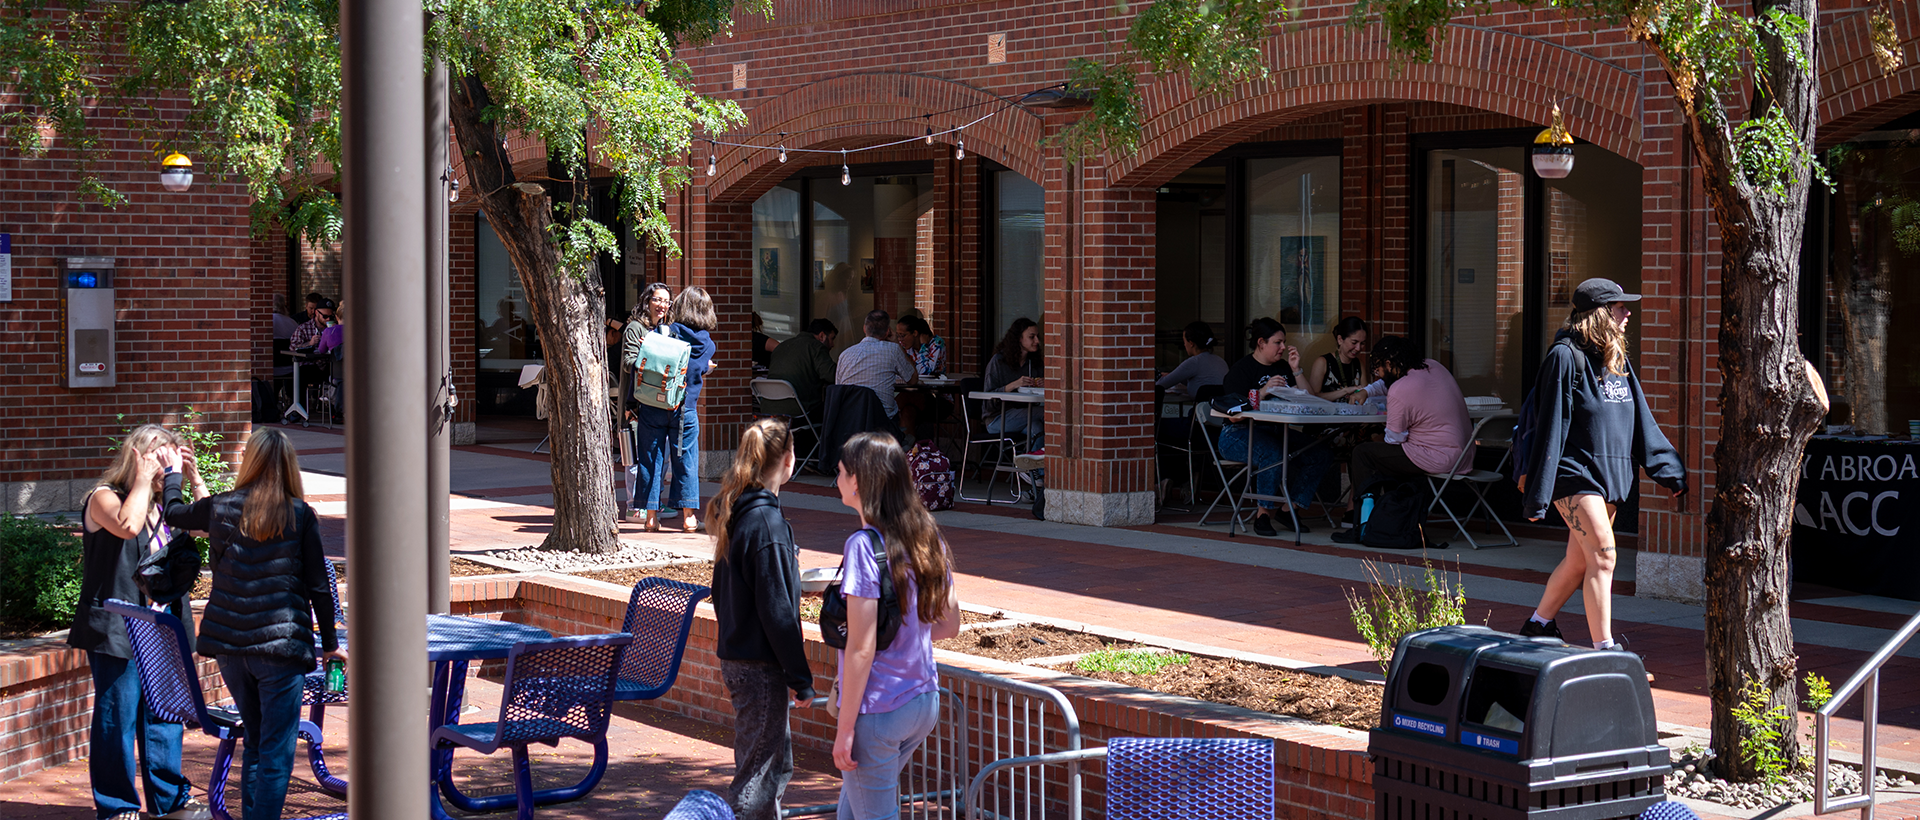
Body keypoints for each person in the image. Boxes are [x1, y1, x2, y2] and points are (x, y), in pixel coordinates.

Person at [159, 427, 341, 820]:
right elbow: (318, 587)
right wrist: (330, 644)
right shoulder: (299, 514)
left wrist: (176, 475)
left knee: (257, 741)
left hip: (230, 648)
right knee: (276, 750)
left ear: (250, 463)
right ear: (290, 466)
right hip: (280, 650)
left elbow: (174, 513)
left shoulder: (222, 507)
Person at [1517, 278, 1686, 650]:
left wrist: (1668, 469)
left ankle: (1538, 625)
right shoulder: (1564, 356)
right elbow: (1551, 424)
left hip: (1608, 477)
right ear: (1599, 313)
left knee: (1579, 562)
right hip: (1572, 474)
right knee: (1605, 556)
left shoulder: (1614, 359)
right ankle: (1605, 649)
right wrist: (1538, 493)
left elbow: (1641, 421)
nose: (1628, 314)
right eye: (1620, 307)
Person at [71, 425, 210, 820]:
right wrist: (144, 480)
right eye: (158, 456)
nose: (166, 465)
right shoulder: (103, 498)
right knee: (118, 714)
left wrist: (194, 478)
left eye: (170, 457)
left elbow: (211, 524)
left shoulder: (169, 503)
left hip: (163, 628)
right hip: (118, 625)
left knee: (165, 716)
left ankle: (170, 800)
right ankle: (117, 806)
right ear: (138, 457)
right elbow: (128, 526)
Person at [830, 433, 961, 819]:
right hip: (923, 699)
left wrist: (845, 729)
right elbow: (949, 622)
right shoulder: (926, 534)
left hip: (879, 708)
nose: (835, 478)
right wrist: (908, 637)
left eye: (840, 472)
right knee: (853, 811)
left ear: (858, 481)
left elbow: (861, 647)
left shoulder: (862, 546)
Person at [709, 418, 814, 820]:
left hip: (741, 657)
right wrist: (800, 677)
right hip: (758, 665)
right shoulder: (765, 522)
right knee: (757, 778)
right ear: (787, 461)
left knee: (772, 766)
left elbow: (729, 592)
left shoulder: (740, 513)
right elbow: (777, 610)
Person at [1329, 335, 1475, 543]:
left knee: (1362, 453)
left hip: (1437, 457)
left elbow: (1394, 441)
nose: (1377, 374)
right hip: (1463, 455)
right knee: (1383, 455)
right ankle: (1389, 516)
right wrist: (1366, 391)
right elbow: (1387, 383)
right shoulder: (1434, 367)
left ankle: (1363, 523)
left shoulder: (1400, 389)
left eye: (1378, 368)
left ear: (1389, 364)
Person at [1217, 317, 1332, 536]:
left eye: (1284, 342)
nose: (1283, 347)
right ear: (1261, 342)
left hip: (1277, 431)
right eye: (1277, 343)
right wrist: (1263, 391)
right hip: (1237, 434)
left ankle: (1289, 509)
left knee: (1320, 453)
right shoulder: (1241, 370)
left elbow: (1309, 399)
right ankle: (1263, 514)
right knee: (1273, 453)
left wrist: (1296, 370)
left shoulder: (1282, 367)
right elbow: (1233, 416)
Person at [667, 286, 719, 532]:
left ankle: (650, 515)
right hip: (688, 406)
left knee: (655, 458)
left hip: (661, 402)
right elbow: (698, 367)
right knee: (687, 459)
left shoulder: (670, 333)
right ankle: (689, 516)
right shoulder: (707, 344)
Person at [835, 310, 919, 424]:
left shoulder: (844, 355)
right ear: (887, 332)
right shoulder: (893, 350)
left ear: (864, 329)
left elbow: (839, 389)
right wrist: (896, 343)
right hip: (882, 423)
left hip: (850, 423)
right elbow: (913, 380)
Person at [983, 318, 1044, 447]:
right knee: (1047, 412)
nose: (1037, 341)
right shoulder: (998, 361)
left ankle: (1030, 466)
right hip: (997, 419)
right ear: (1019, 339)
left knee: (1037, 428)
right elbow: (988, 399)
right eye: (1032, 337)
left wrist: (1045, 385)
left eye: (1037, 337)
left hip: (1025, 414)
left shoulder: (1034, 363)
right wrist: (1013, 385)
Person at [766, 319, 839, 420]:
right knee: (837, 408)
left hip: (768, 409)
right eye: (832, 338)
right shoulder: (816, 346)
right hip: (798, 410)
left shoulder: (781, 346)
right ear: (822, 336)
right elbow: (833, 375)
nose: (832, 344)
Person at [1155, 320, 1228, 396]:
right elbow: (1202, 379)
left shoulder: (1193, 362)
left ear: (1191, 343)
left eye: (1184, 341)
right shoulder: (1220, 361)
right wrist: (1172, 375)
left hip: (1202, 407)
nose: (1184, 345)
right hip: (1221, 406)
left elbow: (1160, 385)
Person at [1307, 316, 1371, 402]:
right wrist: (1344, 391)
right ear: (1340, 339)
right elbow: (1312, 398)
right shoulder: (1323, 362)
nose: (1358, 348)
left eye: (1362, 343)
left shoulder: (1358, 363)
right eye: (1354, 342)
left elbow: (1365, 394)